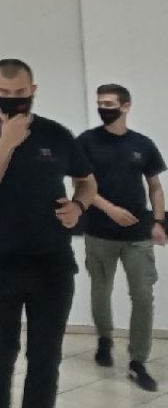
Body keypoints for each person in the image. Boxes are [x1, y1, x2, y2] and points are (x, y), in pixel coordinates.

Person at [0, 58, 97, 408]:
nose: (13, 98)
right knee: (0, 352)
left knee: (46, 355)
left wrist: (78, 206)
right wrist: (6, 142)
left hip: (51, 261)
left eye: (20, 92)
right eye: (4, 92)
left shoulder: (57, 134)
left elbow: (87, 182)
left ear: (33, 90)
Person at [78, 83, 165, 392]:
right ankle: (104, 338)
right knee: (101, 291)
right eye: (100, 103)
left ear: (125, 106)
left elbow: (155, 186)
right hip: (99, 232)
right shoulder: (87, 142)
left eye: (109, 103)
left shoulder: (142, 144)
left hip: (138, 233)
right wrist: (110, 209)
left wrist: (158, 221)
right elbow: (82, 186)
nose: (104, 108)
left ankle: (138, 361)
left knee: (142, 294)